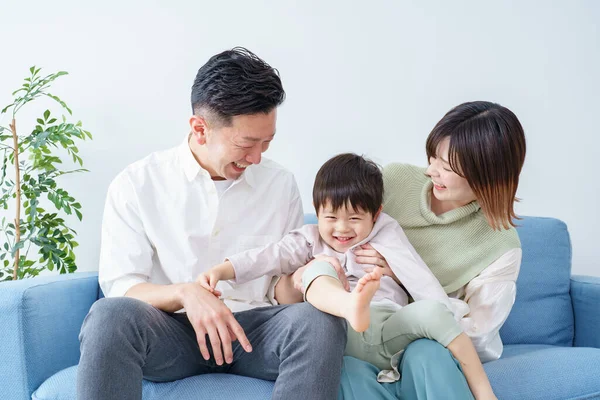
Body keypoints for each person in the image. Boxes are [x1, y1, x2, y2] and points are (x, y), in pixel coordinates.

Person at [77, 47, 348, 400]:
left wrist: (302, 281)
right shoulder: (137, 184)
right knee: (108, 317)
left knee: (321, 322)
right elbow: (124, 285)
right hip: (172, 332)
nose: (257, 157)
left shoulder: (280, 184)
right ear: (200, 129)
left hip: (254, 331)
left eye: (267, 142)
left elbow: (281, 290)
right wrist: (186, 293)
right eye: (247, 143)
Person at [275, 101, 526, 400]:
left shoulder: (501, 246)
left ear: (488, 175)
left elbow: (478, 338)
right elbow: (330, 237)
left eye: (446, 168)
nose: (432, 171)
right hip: (360, 333)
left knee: (427, 356)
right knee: (341, 367)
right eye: (432, 157)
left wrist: (401, 276)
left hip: (424, 340)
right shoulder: (394, 182)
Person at [198, 153, 498, 399]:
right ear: (317, 212)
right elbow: (268, 255)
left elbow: (419, 278)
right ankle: (349, 304)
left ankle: (484, 393)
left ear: (376, 214)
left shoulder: (386, 232)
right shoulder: (309, 239)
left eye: (354, 218)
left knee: (434, 311)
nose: (341, 229)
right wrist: (223, 269)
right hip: (341, 333)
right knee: (320, 267)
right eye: (331, 218)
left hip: (389, 326)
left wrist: (438, 312)